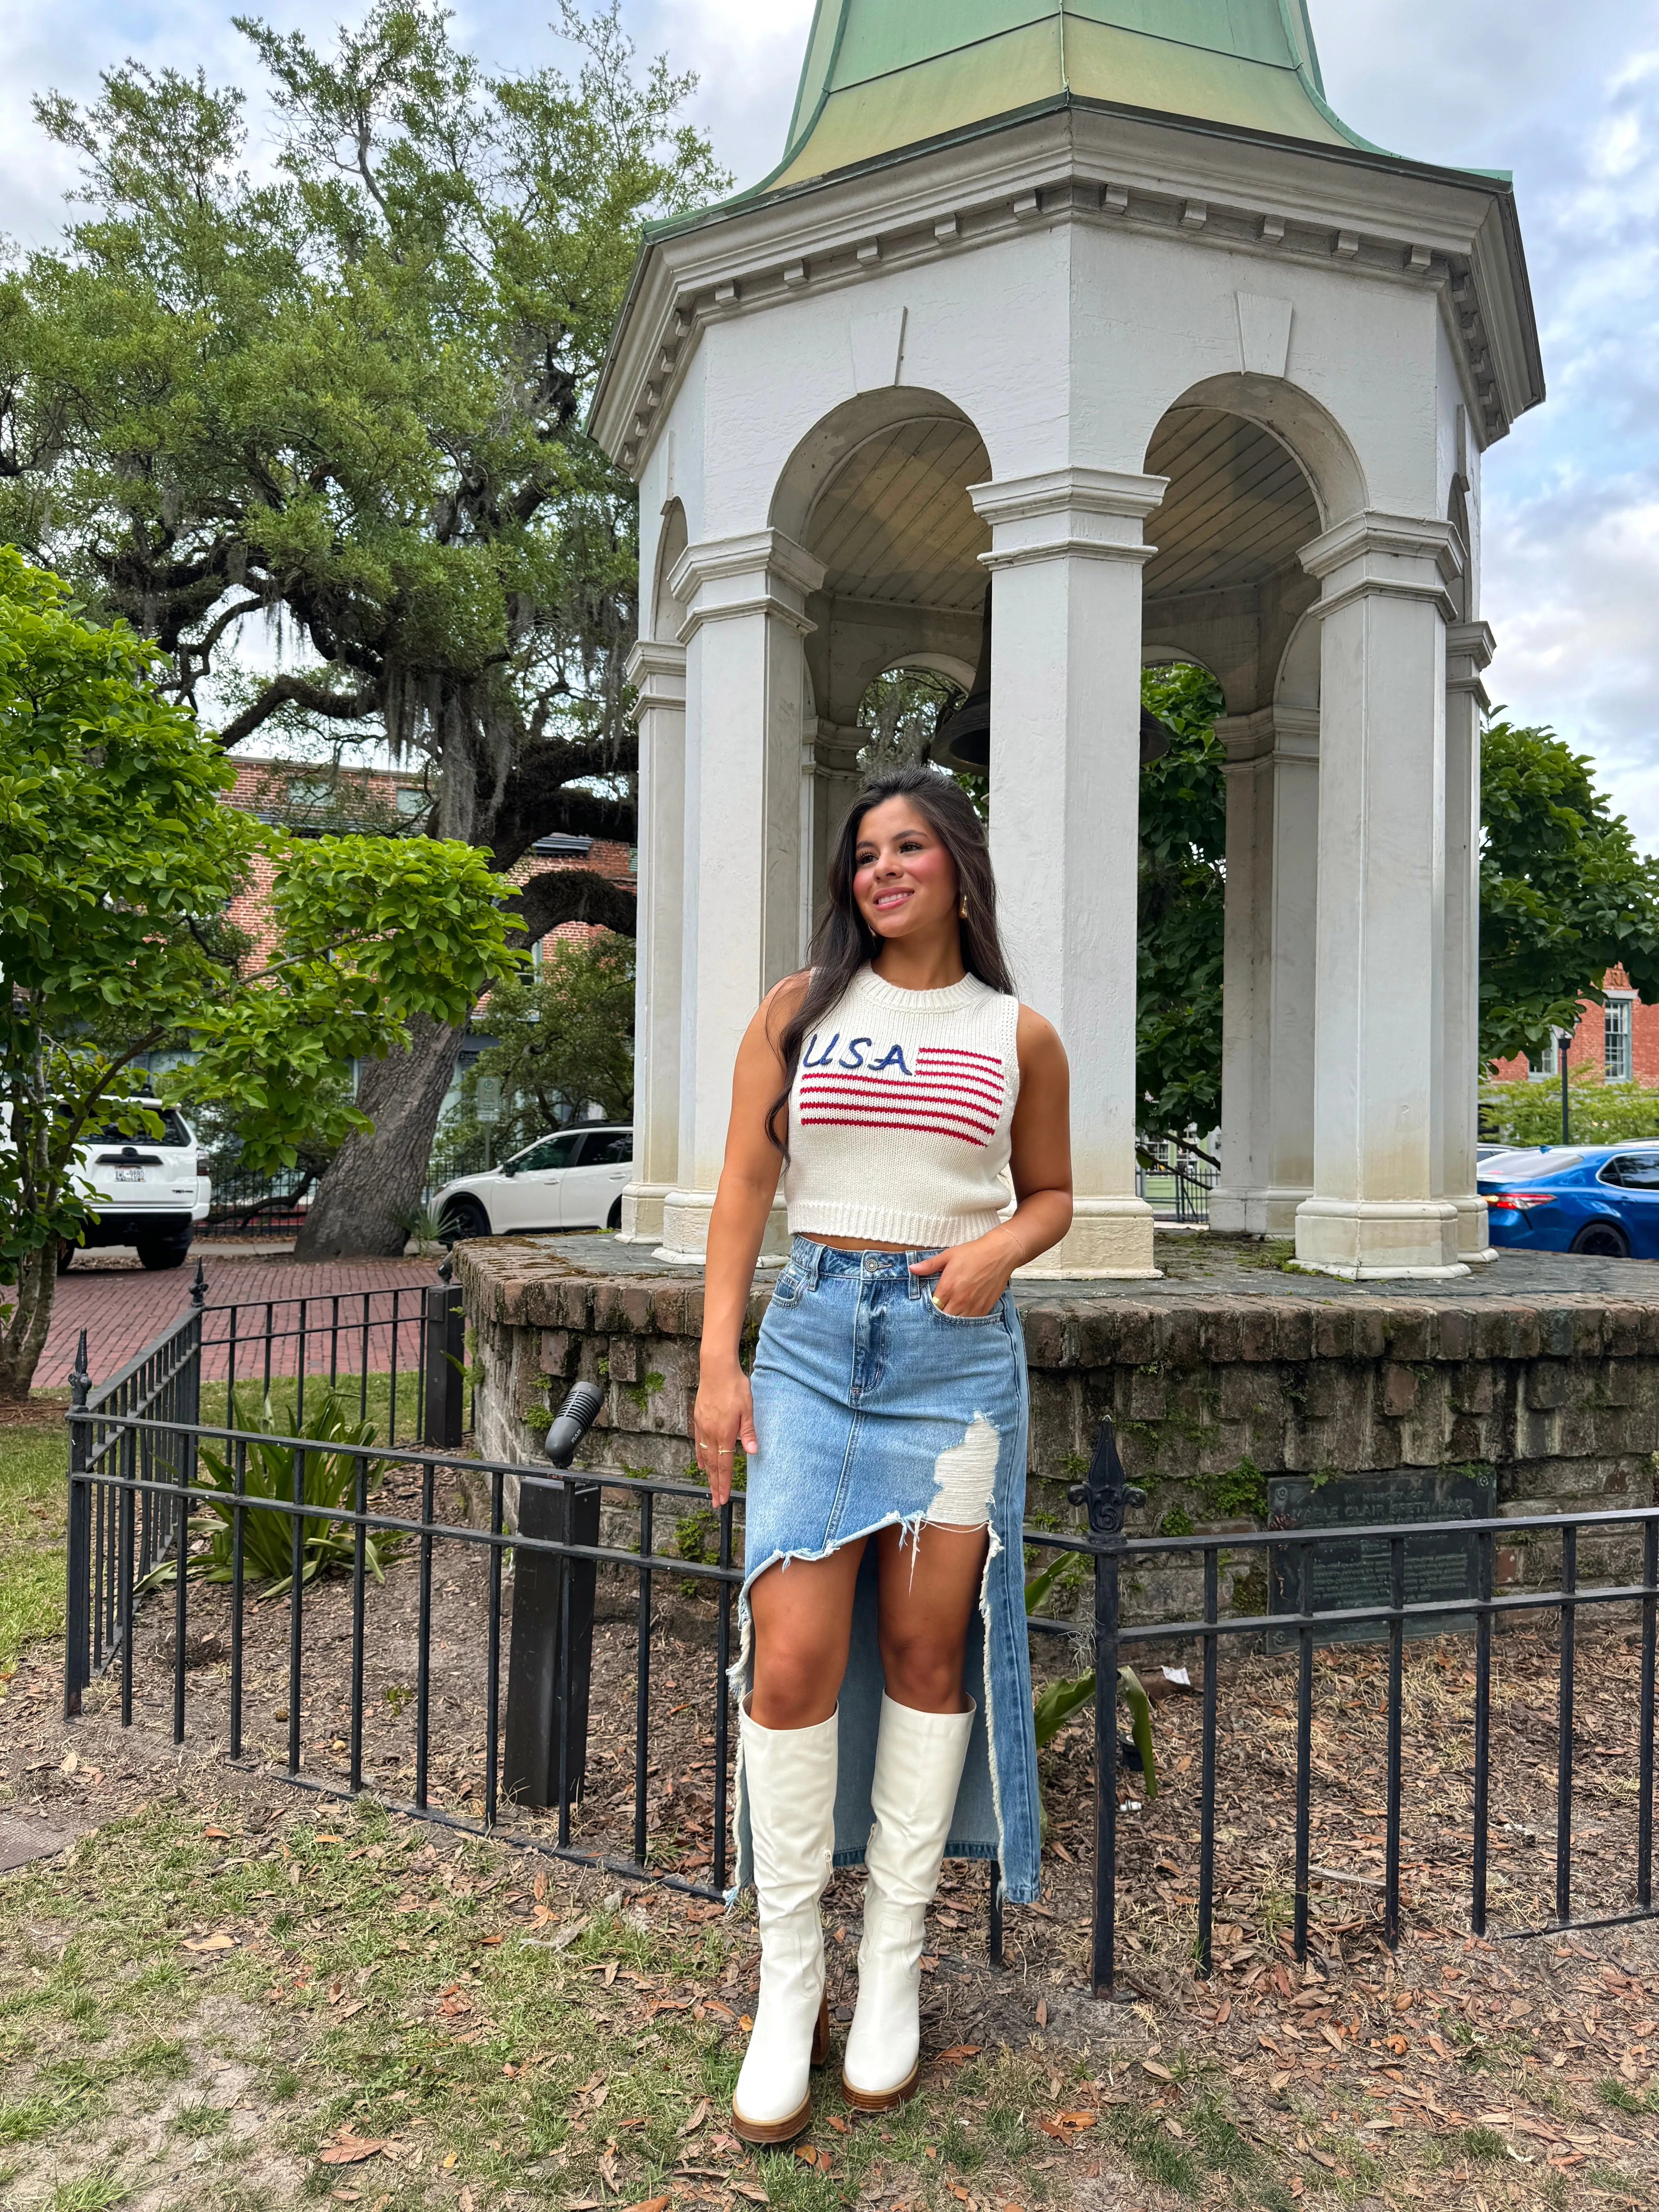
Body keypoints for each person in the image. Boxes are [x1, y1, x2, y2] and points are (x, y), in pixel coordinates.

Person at [692, 764, 1073, 2144]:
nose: (882, 870)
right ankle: (786, 1981)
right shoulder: (798, 1013)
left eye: (909, 847)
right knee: (789, 1659)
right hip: (805, 1351)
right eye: (865, 853)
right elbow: (745, 1180)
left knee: (926, 1658)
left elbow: (1051, 1198)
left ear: (957, 867)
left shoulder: (1016, 1034)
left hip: (951, 1369)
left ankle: (891, 1964)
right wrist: (715, 1360)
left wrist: (993, 1250)